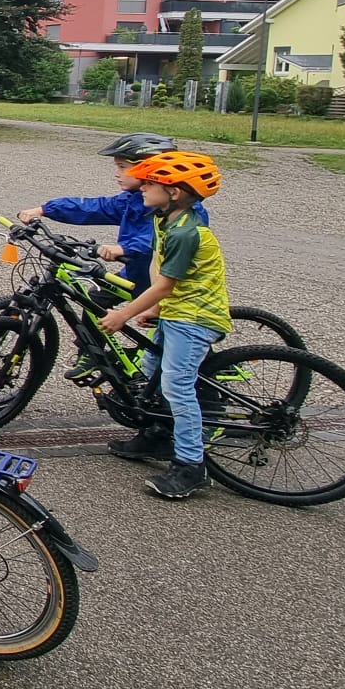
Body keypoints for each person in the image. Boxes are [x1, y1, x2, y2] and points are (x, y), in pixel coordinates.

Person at [95, 151, 229, 500]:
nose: (143, 187)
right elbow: (158, 263)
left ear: (175, 193)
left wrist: (123, 314)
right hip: (175, 310)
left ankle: (190, 466)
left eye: (152, 183)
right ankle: (157, 434)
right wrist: (155, 307)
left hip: (195, 317)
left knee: (176, 385)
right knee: (151, 371)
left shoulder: (188, 232)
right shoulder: (164, 218)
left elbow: (166, 283)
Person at [14, 133, 211, 299]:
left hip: (171, 288)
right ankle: (90, 346)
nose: (117, 173)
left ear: (150, 169)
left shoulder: (185, 210)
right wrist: (45, 209)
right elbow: (93, 208)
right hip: (137, 277)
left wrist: (123, 248)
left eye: (122, 167)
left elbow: (159, 241)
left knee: (167, 338)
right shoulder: (133, 200)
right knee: (95, 301)